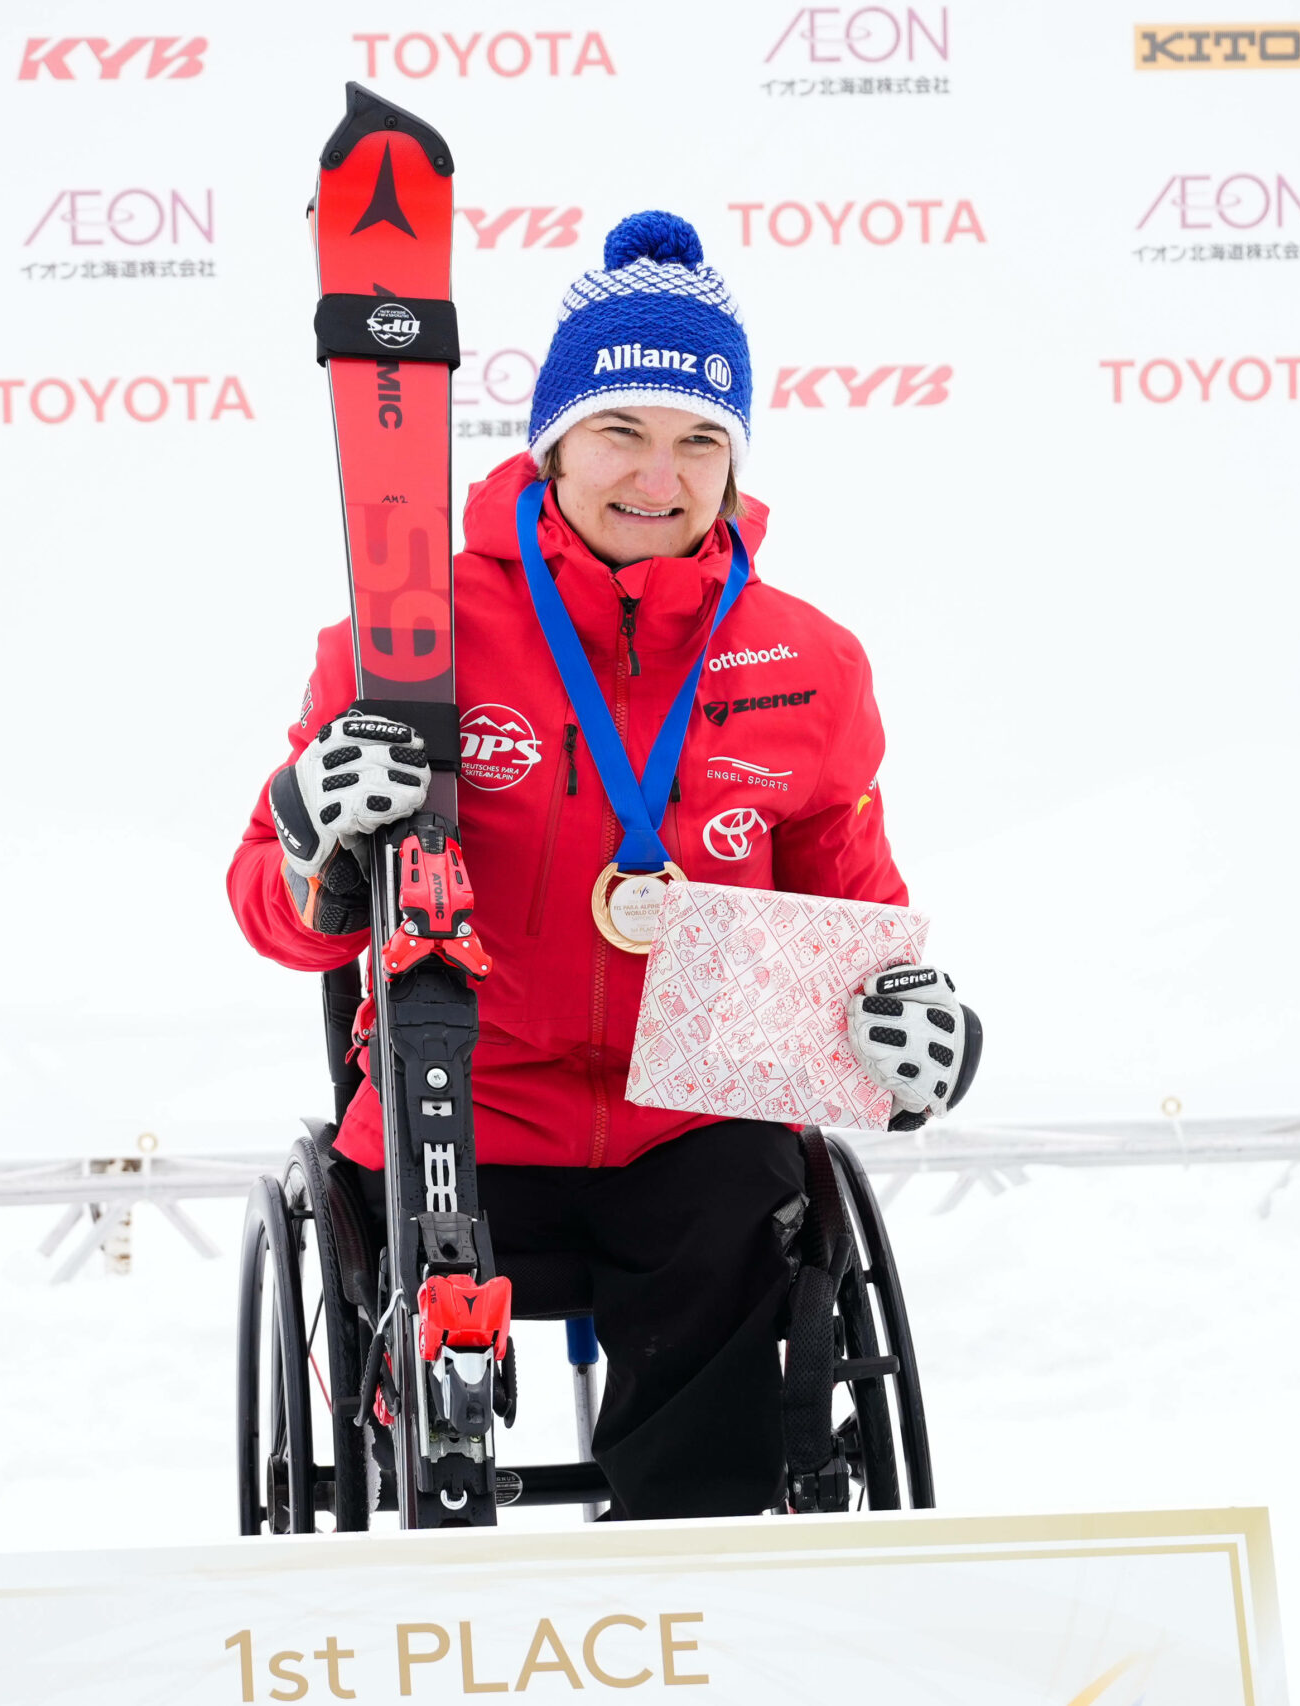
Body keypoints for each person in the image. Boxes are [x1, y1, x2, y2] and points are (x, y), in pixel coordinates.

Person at [227, 211, 978, 1518]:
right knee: (427, 1215)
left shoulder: (808, 662)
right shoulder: (412, 635)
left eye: (700, 439)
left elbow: (855, 911)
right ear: (554, 441)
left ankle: (693, 1581)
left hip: (689, 1119)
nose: (660, 472)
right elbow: (279, 919)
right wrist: (310, 823)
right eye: (622, 429)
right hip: (458, 1118)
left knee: (745, 1216)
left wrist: (909, 1024)